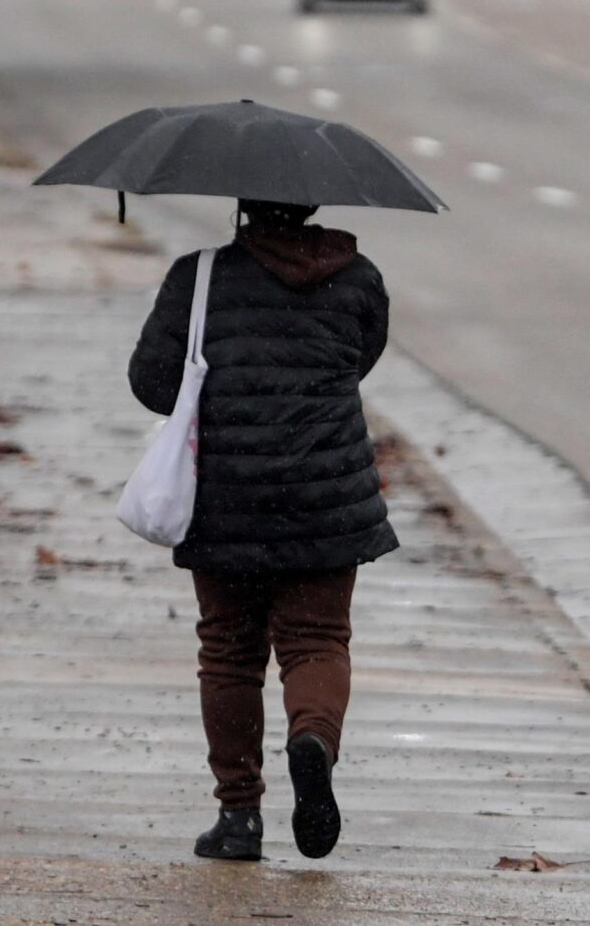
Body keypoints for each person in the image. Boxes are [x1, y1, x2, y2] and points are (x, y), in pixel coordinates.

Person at [127, 199, 397, 861]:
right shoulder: (357, 276)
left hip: (227, 495)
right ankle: (312, 741)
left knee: (228, 653)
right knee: (316, 640)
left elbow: (151, 383)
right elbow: (360, 361)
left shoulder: (200, 276)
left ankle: (239, 816)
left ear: (242, 203)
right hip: (327, 496)